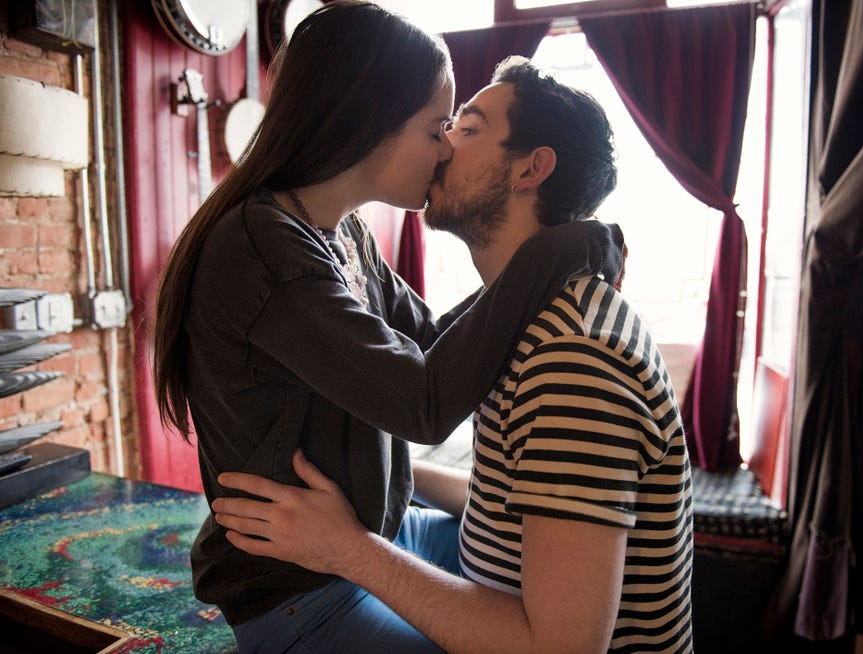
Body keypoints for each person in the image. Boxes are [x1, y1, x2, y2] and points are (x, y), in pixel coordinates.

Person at [151, 3, 623, 652]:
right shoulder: (261, 250)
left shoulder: (342, 234)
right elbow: (421, 403)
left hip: (376, 528)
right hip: (296, 588)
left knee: (542, 594)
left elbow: (428, 340)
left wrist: (524, 263)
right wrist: (549, 254)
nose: (445, 149)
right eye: (436, 128)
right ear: (366, 124)